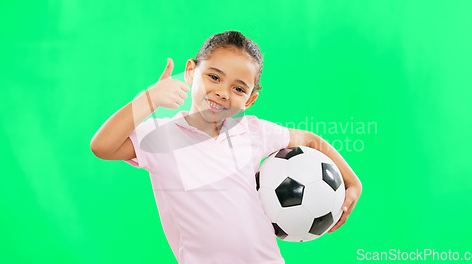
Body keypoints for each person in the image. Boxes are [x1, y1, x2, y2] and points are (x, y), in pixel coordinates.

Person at [90, 30, 362, 263]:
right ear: (190, 72)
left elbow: (310, 139)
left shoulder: (253, 131)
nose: (223, 93)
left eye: (239, 89)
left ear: (251, 99)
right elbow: (102, 146)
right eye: (214, 77)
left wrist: (353, 183)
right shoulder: (161, 137)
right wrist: (149, 99)